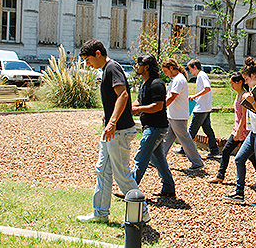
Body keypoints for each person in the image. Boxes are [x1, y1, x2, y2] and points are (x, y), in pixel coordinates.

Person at [76, 40, 149, 223]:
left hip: (119, 130)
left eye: (88, 59)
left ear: (98, 53)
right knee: (102, 170)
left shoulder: (112, 68)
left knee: (122, 174)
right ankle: (100, 213)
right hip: (112, 130)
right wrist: (107, 117)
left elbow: (123, 94)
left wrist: (113, 122)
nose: (87, 64)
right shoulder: (106, 70)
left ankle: (142, 213)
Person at [223, 57, 256, 208]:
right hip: (254, 133)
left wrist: (251, 102)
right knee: (239, 159)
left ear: (253, 76)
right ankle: (239, 193)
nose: (244, 82)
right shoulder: (252, 91)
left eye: (245, 79)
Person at [130, 54, 176, 197]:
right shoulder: (145, 83)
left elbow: (158, 106)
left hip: (155, 127)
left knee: (141, 156)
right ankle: (168, 187)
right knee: (158, 158)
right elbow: (139, 100)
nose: (136, 66)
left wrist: (138, 109)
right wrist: (128, 109)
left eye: (138, 64)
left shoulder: (157, 84)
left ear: (147, 67)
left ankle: (129, 188)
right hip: (150, 126)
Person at [207, 72, 256, 186]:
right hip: (237, 129)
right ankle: (220, 176)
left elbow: (244, 115)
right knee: (229, 151)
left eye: (233, 82)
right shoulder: (238, 94)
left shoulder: (244, 96)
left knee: (246, 155)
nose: (231, 85)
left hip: (243, 131)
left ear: (240, 82)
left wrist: (238, 131)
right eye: (231, 83)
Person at [160, 58, 204, 171]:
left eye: (165, 71)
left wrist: (160, 108)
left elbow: (172, 97)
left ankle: (197, 162)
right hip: (174, 115)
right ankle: (158, 160)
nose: (165, 74)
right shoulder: (176, 79)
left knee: (185, 139)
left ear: (171, 68)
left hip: (178, 116)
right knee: (167, 139)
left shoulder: (179, 79)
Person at [186, 59, 220, 158]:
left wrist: (194, 96)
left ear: (195, 67)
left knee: (192, 130)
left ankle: (185, 149)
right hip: (205, 107)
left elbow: (207, 88)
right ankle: (214, 150)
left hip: (201, 108)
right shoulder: (202, 75)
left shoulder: (201, 75)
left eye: (190, 69)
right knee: (208, 130)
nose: (190, 72)